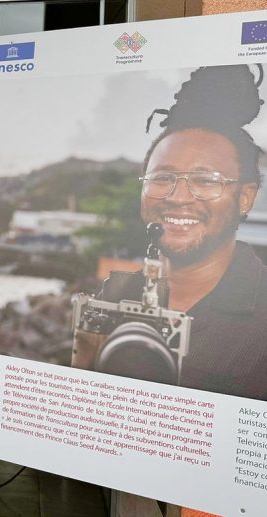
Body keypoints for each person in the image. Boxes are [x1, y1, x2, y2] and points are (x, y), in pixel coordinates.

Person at [107, 64, 267, 517]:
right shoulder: (113, 295)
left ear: (245, 197)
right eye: (162, 177)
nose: (178, 197)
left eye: (205, 180)